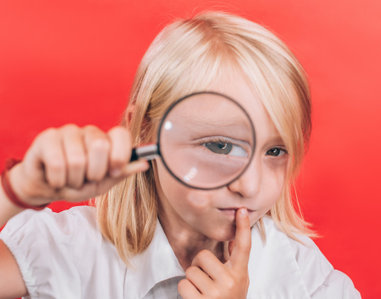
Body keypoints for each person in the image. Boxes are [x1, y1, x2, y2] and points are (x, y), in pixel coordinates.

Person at [0, 11, 361, 299]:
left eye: (275, 151)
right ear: (143, 131)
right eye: (220, 146)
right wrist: (17, 191)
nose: (250, 186)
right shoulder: (71, 249)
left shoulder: (300, 272)